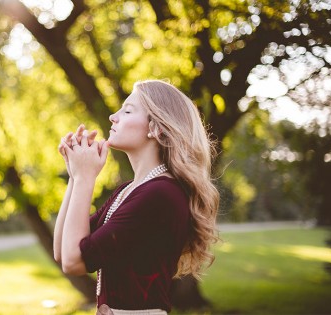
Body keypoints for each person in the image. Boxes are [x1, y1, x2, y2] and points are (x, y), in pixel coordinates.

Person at [54, 79, 219, 315]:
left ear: (156, 128)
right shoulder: (129, 190)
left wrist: (85, 178)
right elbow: (63, 251)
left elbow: (74, 262)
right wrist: (75, 174)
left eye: (127, 110)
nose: (113, 116)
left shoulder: (160, 195)